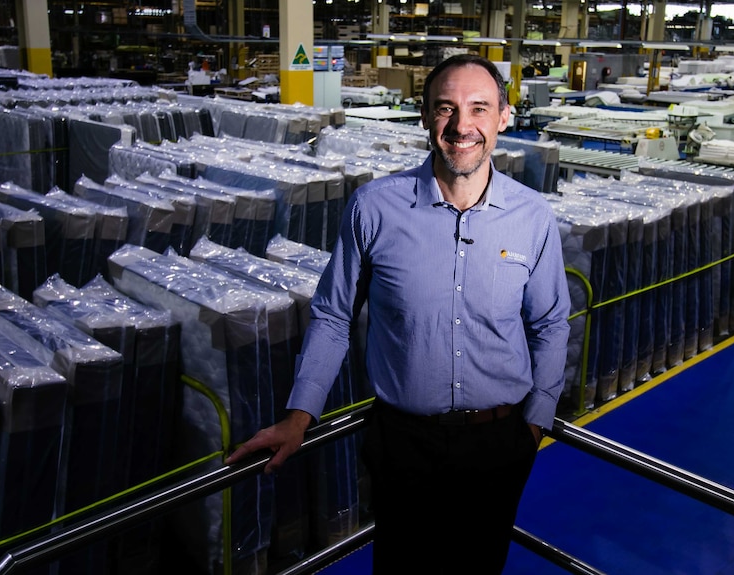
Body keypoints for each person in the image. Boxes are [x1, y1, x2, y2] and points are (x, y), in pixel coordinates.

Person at [225, 53, 571, 574]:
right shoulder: (374, 208)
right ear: (425, 117)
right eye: (445, 108)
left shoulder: (533, 218)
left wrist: (535, 424)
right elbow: (333, 316)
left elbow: (549, 324)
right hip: (403, 444)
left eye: (479, 108)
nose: (462, 126)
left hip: (499, 443)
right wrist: (301, 414)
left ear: (503, 117)